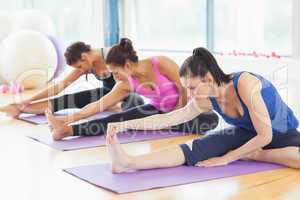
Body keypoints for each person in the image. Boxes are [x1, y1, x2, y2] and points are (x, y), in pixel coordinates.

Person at [106, 47, 300, 173]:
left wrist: (227, 158)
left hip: (280, 131)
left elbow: (265, 136)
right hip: (246, 134)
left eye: (191, 87)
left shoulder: (245, 84)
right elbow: (170, 118)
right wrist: (124, 125)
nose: (189, 95)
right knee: (198, 148)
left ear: (208, 79)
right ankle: (128, 162)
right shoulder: (205, 98)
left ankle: (256, 155)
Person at [46, 39, 219, 140]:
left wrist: (175, 113)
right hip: (157, 111)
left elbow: (185, 88)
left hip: (185, 109)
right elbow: (97, 105)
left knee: (210, 120)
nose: (114, 77)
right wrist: (66, 120)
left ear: (127, 65)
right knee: (116, 119)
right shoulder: (124, 84)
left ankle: (156, 125)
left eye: (115, 72)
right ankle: (68, 131)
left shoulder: (160, 63)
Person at [0, 41, 144, 119]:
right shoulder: (86, 65)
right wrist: (29, 100)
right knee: (66, 99)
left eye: (80, 66)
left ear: (84, 57)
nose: (81, 70)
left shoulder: (111, 55)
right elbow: (59, 87)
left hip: (126, 93)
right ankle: (17, 108)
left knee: (136, 103)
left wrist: (114, 102)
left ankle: (116, 109)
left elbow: (131, 78)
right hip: (106, 94)